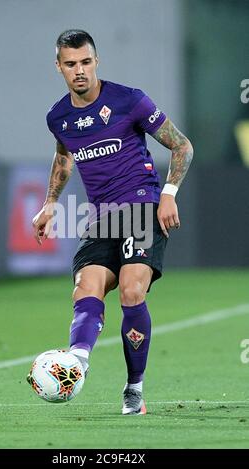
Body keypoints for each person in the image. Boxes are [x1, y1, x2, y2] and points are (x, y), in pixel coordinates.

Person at [31, 30, 193, 415]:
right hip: (100, 217)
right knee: (84, 289)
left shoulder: (129, 100)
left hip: (141, 208)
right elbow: (64, 157)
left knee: (130, 291)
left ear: (96, 60)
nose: (79, 71)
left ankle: (134, 389)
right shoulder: (59, 117)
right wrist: (50, 203)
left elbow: (181, 145)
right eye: (70, 64)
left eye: (85, 62)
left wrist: (168, 193)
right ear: (59, 67)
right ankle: (76, 364)